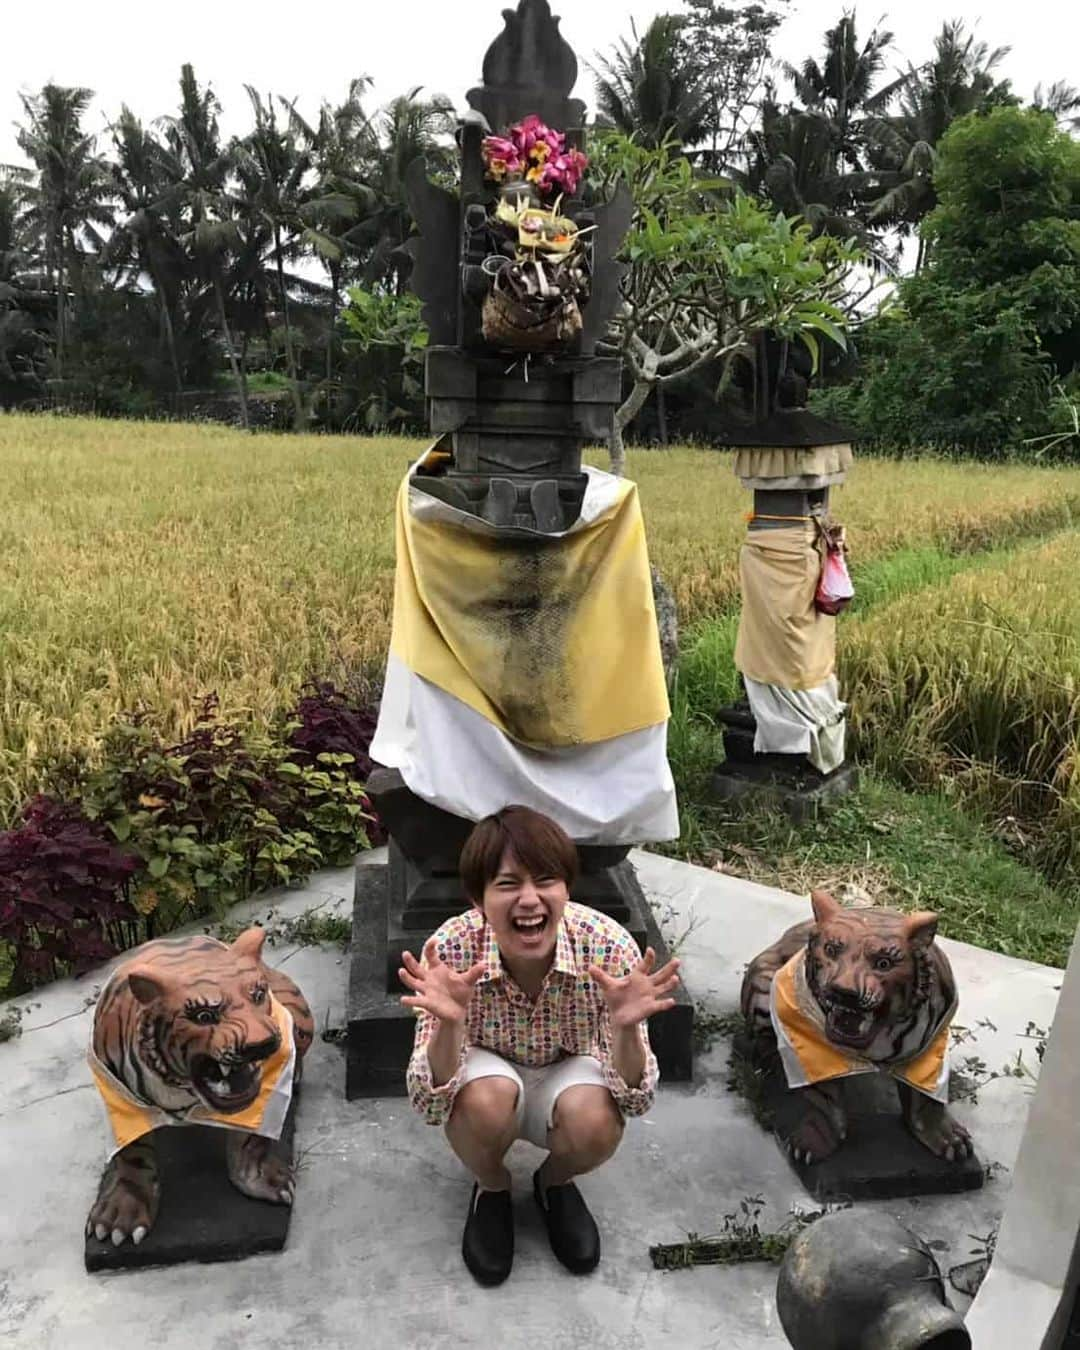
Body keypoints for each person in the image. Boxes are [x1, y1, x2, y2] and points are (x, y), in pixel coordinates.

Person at [400, 805, 680, 1286]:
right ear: (478, 897)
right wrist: (449, 1024)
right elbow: (431, 1101)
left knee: (597, 1122)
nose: (529, 900)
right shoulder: (448, 951)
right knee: (480, 1106)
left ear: (566, 888)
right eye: (508, 884)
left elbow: (635, 1097)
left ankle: (554, 1184)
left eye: (546, 880)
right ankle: (491, 1186)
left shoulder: (610, 949)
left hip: (569, 1071)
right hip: (488, 1074)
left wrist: (627, 1028)